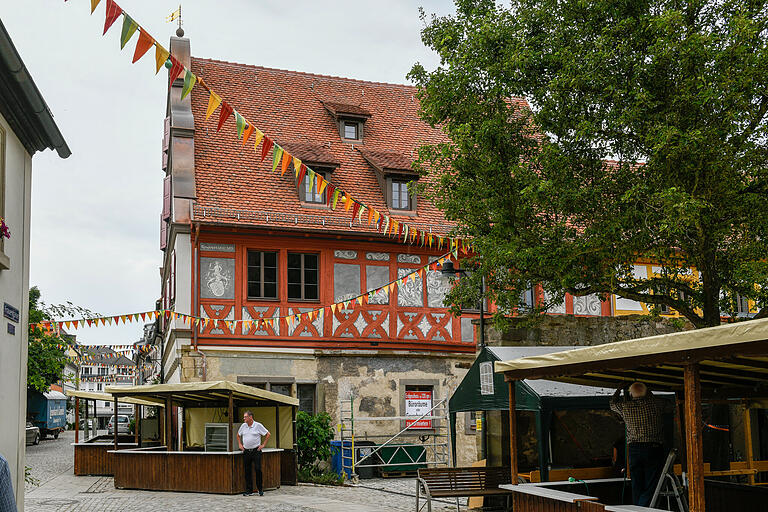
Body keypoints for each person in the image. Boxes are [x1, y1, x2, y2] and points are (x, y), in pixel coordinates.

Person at [610, 382, 669, 507]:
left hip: (634, 448)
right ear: (647, 392)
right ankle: (643, 506)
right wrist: (649, 392)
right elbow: (668, 403)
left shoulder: (625, 406)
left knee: (636, 483)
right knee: (652, 483)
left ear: (631, 394)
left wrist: (619, 389)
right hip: (653, 448)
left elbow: (612, 403)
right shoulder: (656, 404)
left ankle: (638, 507)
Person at [237, 411, 270, 497]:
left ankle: (260, 489)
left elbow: (268, 434)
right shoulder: (243, 426)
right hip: (246, 451)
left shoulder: (258, 425)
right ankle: (249, 490)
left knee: (258, 469)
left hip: (256, 451)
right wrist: (240, 444)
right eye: (244, 417)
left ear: (250, 417)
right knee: (247, 471)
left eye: (245, 417)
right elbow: (238, 435)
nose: (244, 418)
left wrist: (263, 445)